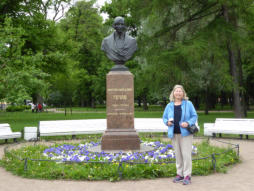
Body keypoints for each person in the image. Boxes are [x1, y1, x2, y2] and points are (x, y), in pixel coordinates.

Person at [163, 85, 198, 185]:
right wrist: (167, 122)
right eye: (176, 91)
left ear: (183, 93)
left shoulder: (188, 104)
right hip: (174, 133)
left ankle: (187, 175)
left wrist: (187, 123)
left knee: (186, 155)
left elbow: (194, 116)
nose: (178, 93)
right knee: (178, 155)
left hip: (185, 134)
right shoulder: (169, 105)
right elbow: (164, 117)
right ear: (173, 93)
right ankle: (180, 174)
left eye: (180, 91)